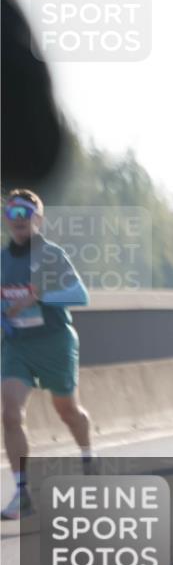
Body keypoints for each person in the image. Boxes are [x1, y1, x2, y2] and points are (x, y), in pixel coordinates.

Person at [2, 190, 92, 520]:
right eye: (12, 213)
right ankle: (22, 492)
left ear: (38, 219)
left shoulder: (51, 255)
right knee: (11, 413)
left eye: (26, 213)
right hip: (18, 345)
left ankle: (88, 460)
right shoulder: (2, 260)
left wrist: (38, 297)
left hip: (55, 342)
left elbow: (81, 295)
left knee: (68, 411)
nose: (18, 220)